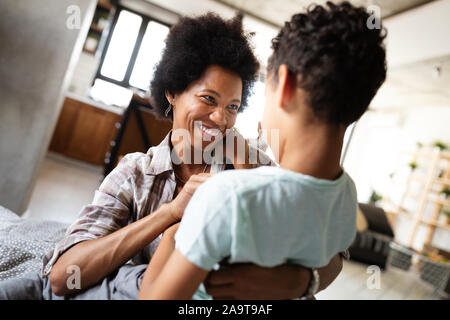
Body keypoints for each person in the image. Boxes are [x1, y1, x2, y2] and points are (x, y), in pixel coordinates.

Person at [0, 13, 343, 300]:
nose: (221, 118)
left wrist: (302, 281)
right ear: (173, 91)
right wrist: (169, 213)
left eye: (233, 107)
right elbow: (62, 278)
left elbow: (335, 254)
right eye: (209, 99)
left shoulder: (253, 168)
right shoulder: (134, 174)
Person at [138, 1, 387, 300]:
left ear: (284, 87)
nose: (222, 117)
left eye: (233, 105)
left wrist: (171, 236)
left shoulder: (224, 195)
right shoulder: (347, 196)